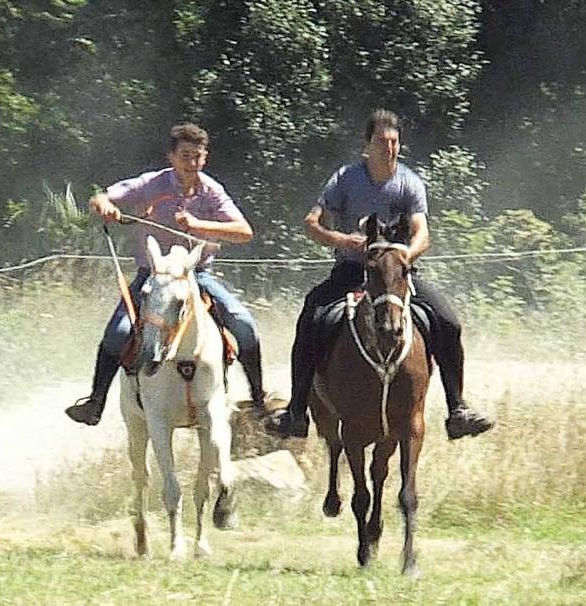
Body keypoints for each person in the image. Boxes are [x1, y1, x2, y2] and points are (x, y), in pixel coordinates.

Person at [266, 108, 494, 440]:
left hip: (397, 276)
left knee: (449, 323)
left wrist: (403, 256)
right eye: (381, 142)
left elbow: (422, 233)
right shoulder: (345, 178)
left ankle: (457, 408)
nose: (388, 148)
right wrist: (342, 240)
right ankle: (296, 412)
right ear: (367, 145)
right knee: (311, 317)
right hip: (350, 271)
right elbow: (312, 223)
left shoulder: (409, 182)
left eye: (393, 142)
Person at [65, 123, 265, 426]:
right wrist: (106, 207)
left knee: (243, 323)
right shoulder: (151, 183)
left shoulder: (212, 191)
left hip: (196, 275)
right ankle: (96, 401)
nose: (192, 163)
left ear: (205, 157)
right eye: (185, 156)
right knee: (118, 332)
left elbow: (244, 231)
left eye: (198, 156)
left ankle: (259, 400)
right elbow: (101, 197)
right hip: (152, 276)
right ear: (171, 156)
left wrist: (199, 225)